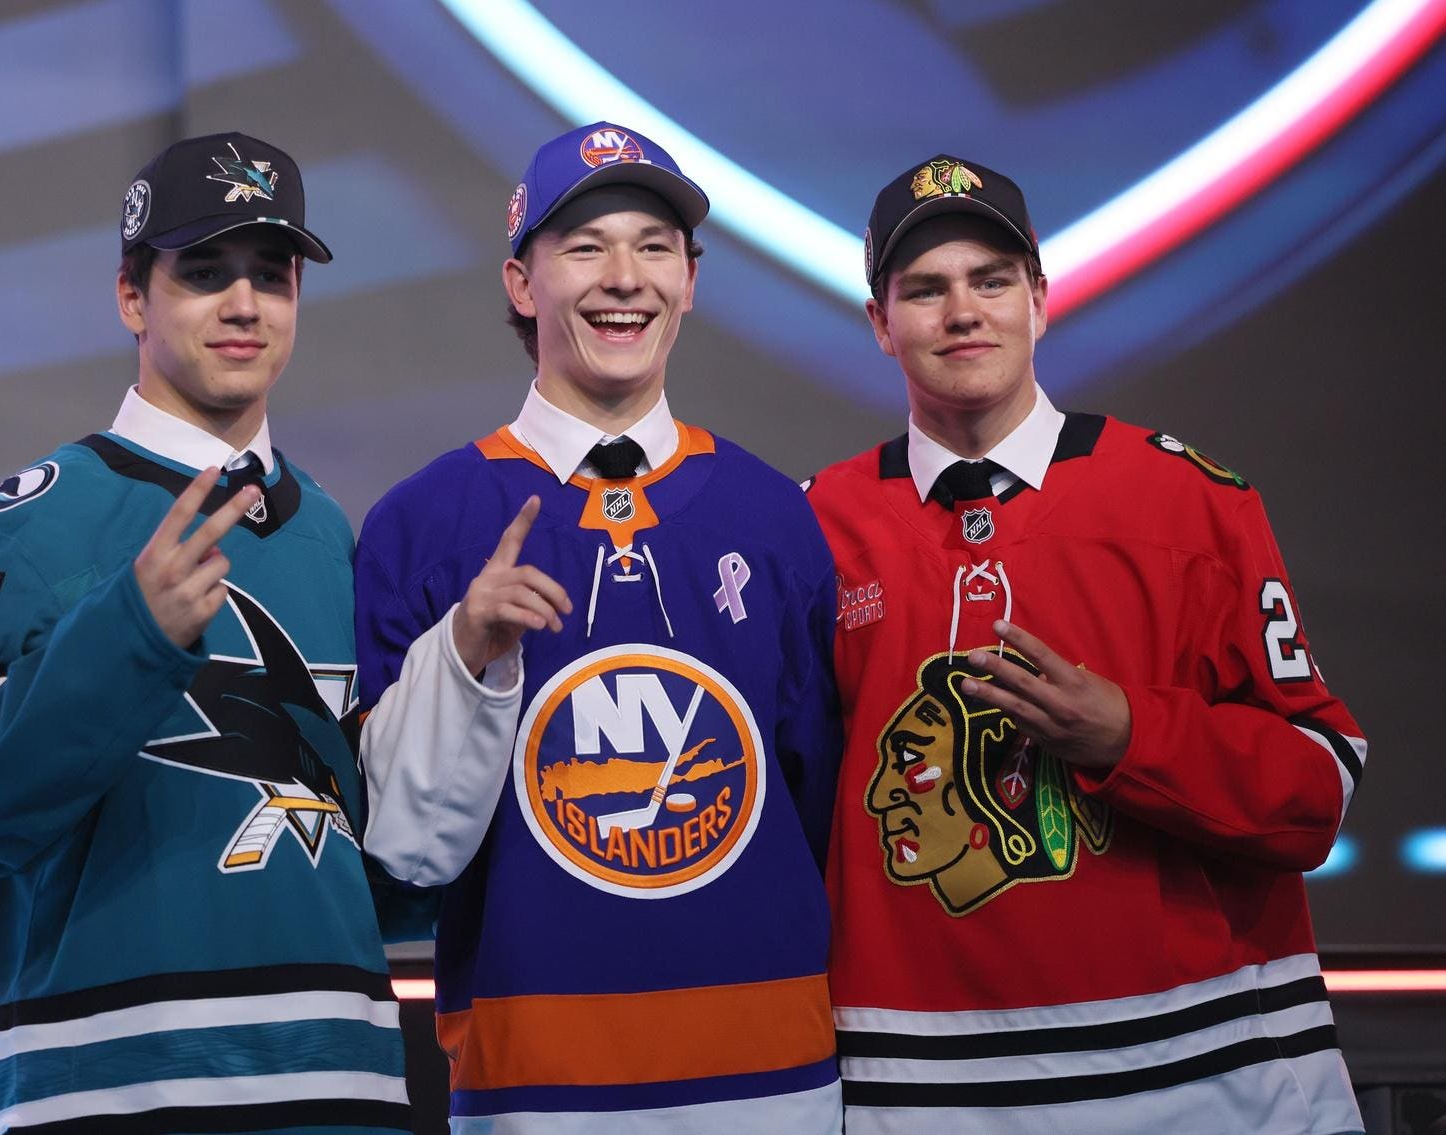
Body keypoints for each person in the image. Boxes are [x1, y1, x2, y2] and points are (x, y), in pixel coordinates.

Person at [808, 155, 1367, 1133]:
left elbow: (1318, 787)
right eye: (925, 289)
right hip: (916, 1091)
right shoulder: (812, 527)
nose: (961, 312)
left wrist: (1130, 736)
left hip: (1203, 1085)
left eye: (989, 280)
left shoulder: (1191, 502)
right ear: (879, 323)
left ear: (1038, 298)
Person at [0, 132, 411, 1134]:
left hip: (337, 1088)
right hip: (102, 1092)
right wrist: (130, 633)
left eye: (271, 274)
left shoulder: (330, 533)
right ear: (133, 296)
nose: (244, 304)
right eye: (204, 273)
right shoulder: (28, 522)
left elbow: (367, 860)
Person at [355, 122, 844, 1132]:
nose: (624, 278)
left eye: (654, 247)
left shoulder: (773, 514)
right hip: (534, 1087)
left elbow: (815, 811)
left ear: (690, 281)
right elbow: (403, 849)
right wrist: (463, 653)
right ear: (520, 283)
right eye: (584, 247)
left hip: (771, 1077)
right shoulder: (421, 522)